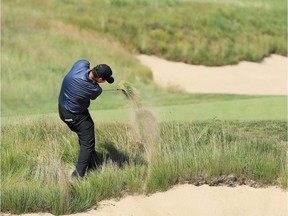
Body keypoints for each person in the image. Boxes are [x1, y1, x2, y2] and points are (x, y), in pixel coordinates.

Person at [58, 59, 114, 179]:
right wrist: (95, 84)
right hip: (74, 115)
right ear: (99, 79)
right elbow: (94, 94)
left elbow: (84, 61)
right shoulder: (95, 90)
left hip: (63, 107)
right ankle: (77, 176)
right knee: (87, 143)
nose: (104, 82)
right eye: (104, 80)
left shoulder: (80, 66)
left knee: (87, 131)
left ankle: (92, 160)